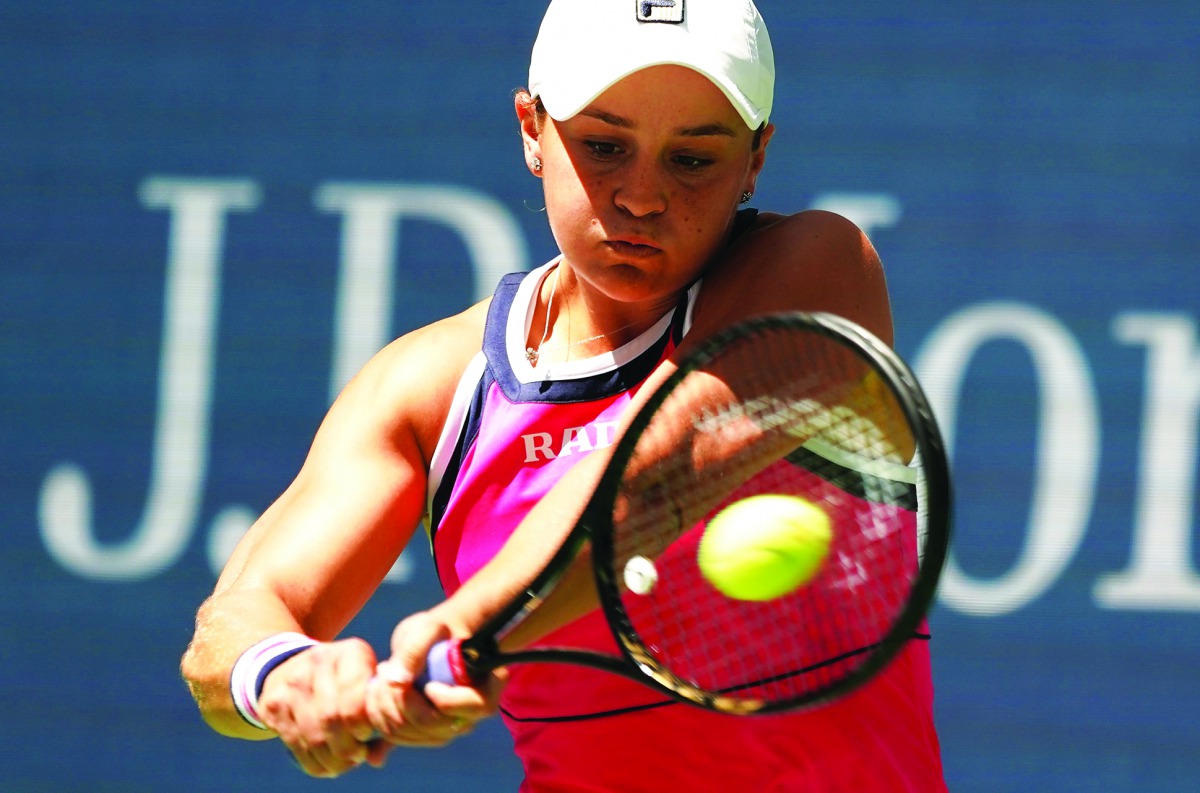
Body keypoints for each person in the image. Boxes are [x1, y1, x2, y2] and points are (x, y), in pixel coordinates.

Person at [181, 0, 947, 789]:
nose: (642, 197)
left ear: (755, 160)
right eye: (604, 146)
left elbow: (648, 477)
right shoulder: (428, 389)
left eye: (692, 160)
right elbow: (235, 620)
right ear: (530, 128)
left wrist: (466, 629)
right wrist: (289, 679)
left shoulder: (822, 272)